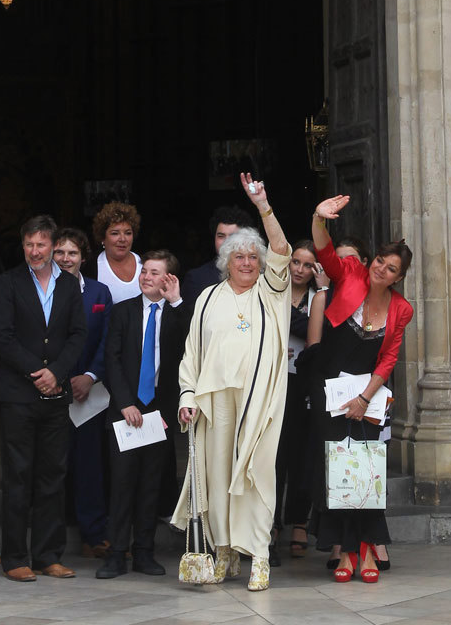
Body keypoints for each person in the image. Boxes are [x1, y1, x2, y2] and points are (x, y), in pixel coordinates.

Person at [172, 173, 291, 592]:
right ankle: (224, 550)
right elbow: (192, 353)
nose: (246, 263)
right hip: (215, 402)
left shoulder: (272, 292)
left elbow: (281, 249)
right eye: (238, 256)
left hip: (258, 402)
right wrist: (187, 396)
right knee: (218, 478)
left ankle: (259, 554)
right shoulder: (208, 298)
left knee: (256, 476)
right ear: (226, 260)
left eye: (253, 257)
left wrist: (263, 206)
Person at [307, 198, 413, 584]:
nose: (381, 269)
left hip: (368, 394)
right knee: (339, 469)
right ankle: (347, 551)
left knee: (367, 470)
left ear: (398, 277)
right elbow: (324, 250)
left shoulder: (401, 310)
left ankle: (367, 548)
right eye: (380, 261)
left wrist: (365, 398)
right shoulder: (351, 273)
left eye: (391, 268)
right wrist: (319, 218)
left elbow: (388, 359)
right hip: (331, 391)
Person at [0, 214, 86, 582]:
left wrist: (57, 373)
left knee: (52, 476)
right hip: (18, 395)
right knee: (18, 476)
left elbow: (78, 335)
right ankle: (15, 557)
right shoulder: (7, 282)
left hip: (56, 396)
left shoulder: (69, 285)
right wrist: (38, 373)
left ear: (52, 245)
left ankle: (48, 556)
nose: (34, 251)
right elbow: (1, 337)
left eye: (41, 244)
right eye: (29, 244)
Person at [98, 250, 185, 579]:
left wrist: (176, 302)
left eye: (154, 272)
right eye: (144, 271)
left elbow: (191, 345)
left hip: (159, 410)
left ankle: (144, 552)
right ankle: (116, 553)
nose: (146, 277)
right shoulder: (123, 312)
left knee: (151, 483)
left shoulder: (178, 313)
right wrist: (124, 402)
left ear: (169, 279)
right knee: (122, 482)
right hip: (126, 408)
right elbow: (111, 358)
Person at [52, 226, 113, 558]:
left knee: (90, 465)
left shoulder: (100, 293)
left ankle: (94, 534)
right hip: (50, 390)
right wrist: (57, 378)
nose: (65, 258)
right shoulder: (41, 290)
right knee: (51, 466)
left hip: (88, 395)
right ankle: (50, 538)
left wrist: (90, 376)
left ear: (83, 257)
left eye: (72, 252)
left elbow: (108, 340)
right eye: (59, 252)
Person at [272, 240, 328, 562]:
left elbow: (319, 331)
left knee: (302, 456)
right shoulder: (273, 290)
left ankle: (298, 521)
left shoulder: (318, 297)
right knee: (275, 455)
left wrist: (291, 319)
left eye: (308, 265)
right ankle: (271, 522)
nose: (300, 270)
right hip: (274, 383)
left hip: (304, 383)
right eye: (296, 262)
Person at [180, 205, 253, 309]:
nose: (226, 242)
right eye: (221, 236)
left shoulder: (256, 275)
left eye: (233, 236)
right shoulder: (196, 278)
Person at [93, 201, 142, 303]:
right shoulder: (91, 267)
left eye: (128, 233)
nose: (123, 239)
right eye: (115, 233)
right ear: (102, 237)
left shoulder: (144, 263)